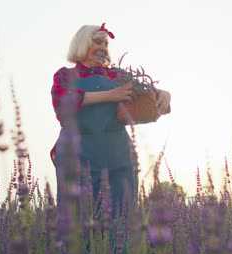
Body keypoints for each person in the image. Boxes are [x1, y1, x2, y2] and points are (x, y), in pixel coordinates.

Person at [50, 23, 171, 215]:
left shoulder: (118, 75)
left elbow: (146, 99)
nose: (103, 48)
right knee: (78, 224)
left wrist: (163, 94)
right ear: (82, 44)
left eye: (105, 44)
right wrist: (111, 95)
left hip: (118, 156)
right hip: (77, 156)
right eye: (97, 42)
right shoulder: (65, 76)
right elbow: (62, 101)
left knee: (122, 221)